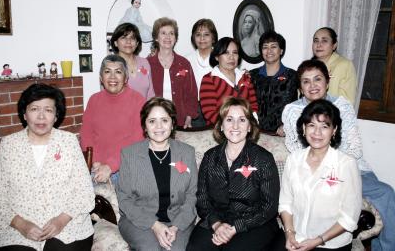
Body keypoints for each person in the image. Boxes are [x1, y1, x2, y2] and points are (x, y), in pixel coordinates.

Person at [282, 59, 395, 251]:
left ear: (327, 81)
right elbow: (294, 146)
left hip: (352, 167)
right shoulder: (292, 110)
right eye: (306, 81)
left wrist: (331, 160)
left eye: (318, 79)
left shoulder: (342, 106)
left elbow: (355, 148)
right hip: (310, 165)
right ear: (300, 87)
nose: (313, 86)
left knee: (387, 193)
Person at [0, 83, 94, 251]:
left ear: (56, 116)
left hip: (69, 226)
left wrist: (61, 220)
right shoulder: (9, 145)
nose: (41, 117)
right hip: (17, 231)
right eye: (34, 109)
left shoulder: (68, 142)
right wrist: (21, 224)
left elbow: (84, 191)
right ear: (24, 114)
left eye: (48, 110)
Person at [186, 97, 281, 251]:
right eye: (229, 119)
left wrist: (236, 227)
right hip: (217, 220)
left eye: (242, 120)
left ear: (249, 126)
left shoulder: (263, 159)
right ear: (221, 126)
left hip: (255, 223)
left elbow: (269, 207)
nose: (235, 126)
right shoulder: (210, 157)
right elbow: (202, 198)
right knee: (196, 248)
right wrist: (217, 225)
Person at [116, 97, 198, 251]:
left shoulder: (187, 152)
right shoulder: (129, 154)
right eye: (152, 121)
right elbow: (124, 198)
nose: (159, 127)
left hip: (178, 219)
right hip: (139, 220)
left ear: (173, 124)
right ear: (145, 126)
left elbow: (192, 194)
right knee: (150, 248)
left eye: (164, 120)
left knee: (176, 249)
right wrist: (154, 225)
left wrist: (176, 227)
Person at [280, 99, 362, 251]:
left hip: (331, 244)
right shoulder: (294, 159)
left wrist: (317, 241)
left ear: (334, 130)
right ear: (304, 128)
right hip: (295, 239)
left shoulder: (346, 164)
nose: (317, 132)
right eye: (311, 125)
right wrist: (289, 234)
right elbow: (285, 203)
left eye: (324, 126)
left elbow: (350, 218)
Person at [80, 54, 145, 185]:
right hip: (96, 166)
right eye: (107, 72)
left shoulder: (138, 100)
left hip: (125, 167)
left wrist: (110, 166)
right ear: (101, 78)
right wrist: (94, 161)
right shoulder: (94, 100)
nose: (112, 77)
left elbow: (137, 140)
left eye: (118, 72)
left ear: (126, 78)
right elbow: (86, 135)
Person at [148, 17, 198, 129]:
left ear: (175, 38)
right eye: (163, 33)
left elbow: (192, 94)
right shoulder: (148, 64)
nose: (167, 37)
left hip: (180, 120)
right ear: (156, 37)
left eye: (171, 33)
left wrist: (189, 117)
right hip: (155, 122)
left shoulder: (184, 64)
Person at [199, 37, 258, 125]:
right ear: (216, 57)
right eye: (226, 53)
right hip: (219, 130)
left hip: (246, 128)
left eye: (235, 52)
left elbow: (253, 106)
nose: (231, 57)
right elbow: (209, 113)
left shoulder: (245, 77)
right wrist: (230, 126)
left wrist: (251, 124)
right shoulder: (209, 79)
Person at [250, 31, 298, 136]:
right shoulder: (252, 75)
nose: (269, 51)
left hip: (282, 134)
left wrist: (288, 125)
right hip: (255, 133)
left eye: (273, 46)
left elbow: (297, 106)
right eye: (265, 47)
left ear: (281, 50)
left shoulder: (293, 76)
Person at [312, 27, 357, 105]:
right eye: (316, 41)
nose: (319, 45)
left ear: (334, 45)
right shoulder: (308, 67)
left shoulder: (344, 65)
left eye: (324, 41)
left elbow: (347, 102)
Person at [186, 18, 218, 127]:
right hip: (194, 109)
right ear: (193, 38)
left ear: (213, 38)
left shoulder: (221, 58)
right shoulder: (186, 60)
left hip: (216, 107)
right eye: (198, 34)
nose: (202, 38)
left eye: (206, 34)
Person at [111, 22, 155, 99]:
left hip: (144, 110)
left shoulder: (144, 63)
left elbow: (150, 94)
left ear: (137, 43)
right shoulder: (111, 65)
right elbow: (107, 97)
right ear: (115, 43)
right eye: (124, 38)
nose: (128, 41)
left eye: (132, 38)